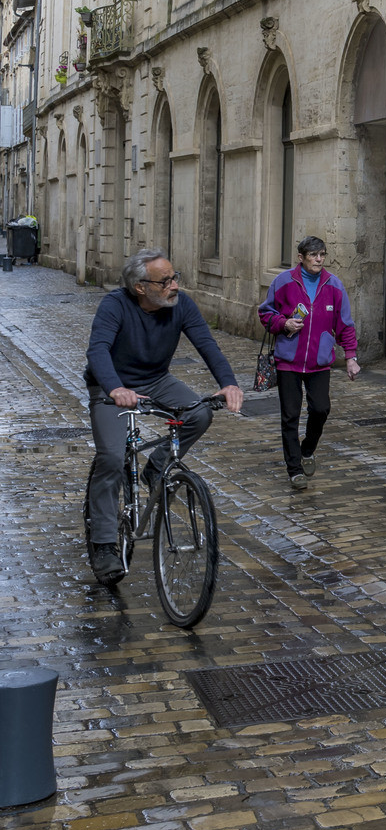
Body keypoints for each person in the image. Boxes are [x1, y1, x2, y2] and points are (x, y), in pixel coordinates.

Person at [85, 249, 244, 585]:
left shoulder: (180, 305)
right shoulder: (115, 305)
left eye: (175, 277)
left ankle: (156, 467)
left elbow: (207, 344)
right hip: (110, 386)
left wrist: (228, 384)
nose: (174, 285)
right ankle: (102, 544)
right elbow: (97, 350)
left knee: (199, 413)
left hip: (157, 380)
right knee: (112, 458)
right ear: (141, 287)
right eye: (166, 280)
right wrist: (115, 389)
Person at [259, 234, 360, 490]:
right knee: (290, 416)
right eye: (314, 255)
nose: (319, 259)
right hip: (288, 361)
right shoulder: (284, 282)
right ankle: (294, 470)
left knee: (321, 409)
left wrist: (351, 357)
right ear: (301, 258)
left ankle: (307, 450)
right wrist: (284, 324)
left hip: (319, 362)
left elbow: (345, 324)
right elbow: (265, 312)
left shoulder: (334, 285)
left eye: (322, 254)